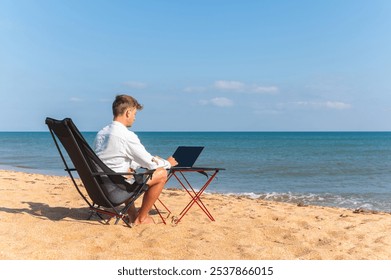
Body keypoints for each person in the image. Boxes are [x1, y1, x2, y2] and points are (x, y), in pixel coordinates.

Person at [93, 94, 177, 225]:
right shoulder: (126, 135)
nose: (134, 118)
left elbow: (112, 158)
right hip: (116, 190)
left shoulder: (102, 133)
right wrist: (168, 163)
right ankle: (141, 218)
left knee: (129, 173)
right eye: (135, 114)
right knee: (161, 174)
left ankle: (132, 215)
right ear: (128, 112)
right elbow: (150, 163)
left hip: (99, 187)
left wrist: (134, 165)